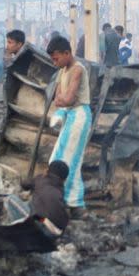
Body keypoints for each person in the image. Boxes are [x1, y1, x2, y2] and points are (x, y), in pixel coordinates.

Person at [0, 160, 69, 257]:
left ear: (47, 170)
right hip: (57, 232)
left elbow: (24, 184)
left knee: (11, 199)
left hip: (41, 223)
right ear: (64, 179)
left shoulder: (40, 179)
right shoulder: (60, 189)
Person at [46, 35, 92, 211]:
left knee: (71, 160)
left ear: (67, 53)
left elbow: (68, 98)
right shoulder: (62, 71)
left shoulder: (77, 70)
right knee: (57, 158)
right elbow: (59, 98)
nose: (54, 62)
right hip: (69, 115)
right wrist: (63, 100)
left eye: (56, 58)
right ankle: (63, 200)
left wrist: (63, 100)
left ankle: (74, 204)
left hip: (80, 115)